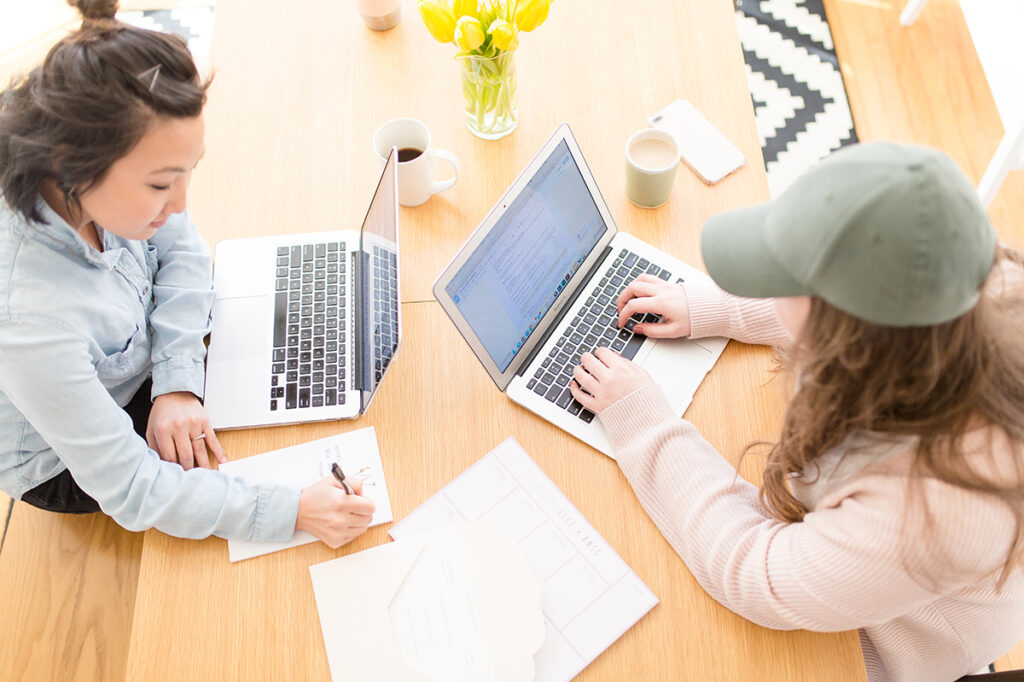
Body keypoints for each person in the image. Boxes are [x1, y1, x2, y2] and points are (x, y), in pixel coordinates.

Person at [568, 142, 1024, 682]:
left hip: (878, 643)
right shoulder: (965, 270)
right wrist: (711, 306)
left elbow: (750, 574)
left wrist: (644, 422)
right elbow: (860, 294)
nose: (766, 282)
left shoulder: (928, 511)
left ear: (844, 338)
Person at [0, 0, 373, 548]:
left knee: (289, 373)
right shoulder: (29, 321)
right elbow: (131, 487)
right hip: (67, 456)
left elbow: (186, 252)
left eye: (188, 173)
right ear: (71, 162)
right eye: (160, 184)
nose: (179, 203)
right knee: (241, 463)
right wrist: (293, 511)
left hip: (142, 366)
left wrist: (177, 382)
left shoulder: (108, 172)